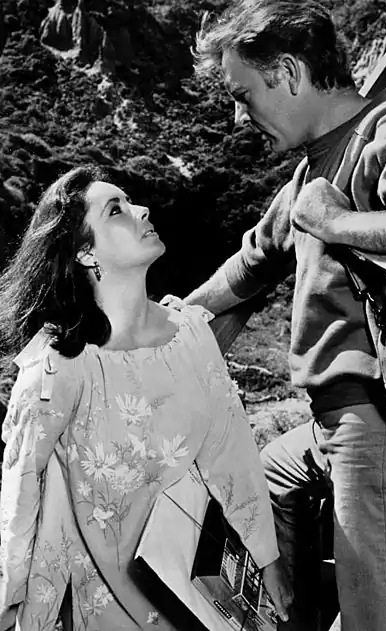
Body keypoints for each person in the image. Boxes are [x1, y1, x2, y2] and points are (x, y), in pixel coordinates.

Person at [181, 1, 386, 630]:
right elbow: (251, 265)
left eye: (243, 95)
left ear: (290, 73)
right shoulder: (312, 169)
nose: (239, 116)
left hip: (383, 424)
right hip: (340, 424)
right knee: (276, 475)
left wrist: (337, 222)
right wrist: (172, 318)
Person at [0, 166, 293, 631]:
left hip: (190, 585)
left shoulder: (191, 333)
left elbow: (231, 451)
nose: (141, 210)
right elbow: (21, 488)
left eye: (131, 200)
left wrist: (266, 557)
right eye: (115, 210)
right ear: (85, 252)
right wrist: (9, 598)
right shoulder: (59, 364)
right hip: (101, 595)